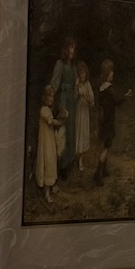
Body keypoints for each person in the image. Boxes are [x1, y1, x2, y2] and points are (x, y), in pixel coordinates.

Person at [94, 59, 130, 186]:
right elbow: (117, 100)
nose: (113, 74)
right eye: (111, 72)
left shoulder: (101, 88)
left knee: (105, 144)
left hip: (103, 120)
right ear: (107, 74)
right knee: (107, 146)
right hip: (108, 121)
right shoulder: (109, 89)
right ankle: (97, 173)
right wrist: (126, 96)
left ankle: (104, 170)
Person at [47, 36, 78, 176]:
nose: (72, 50)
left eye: (74, 48)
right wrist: (50, 96)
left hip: (72, 100)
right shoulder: (60, 64)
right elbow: (55, 82)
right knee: (62, 130)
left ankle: (69, 159)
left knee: (71, 129)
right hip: (63, 100)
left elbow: (76, 83)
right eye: (71, 47)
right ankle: (61, 164)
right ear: (66, 49)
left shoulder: (73, 66)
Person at [35, 85, 64, 201]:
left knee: (52, 161)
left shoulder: (49, 110)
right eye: (49, 96)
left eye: (52, 96)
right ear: (45, 98)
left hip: (50, 141)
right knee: (48, 162)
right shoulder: (43, 110)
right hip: (45, 143)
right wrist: (60, 122)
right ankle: (46, 192)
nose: (51, 99)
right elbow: (51, 121)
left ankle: (52, 185)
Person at [73, 60, 95, 168]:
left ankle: (80, 158)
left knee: (83, 131)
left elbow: (91, 99)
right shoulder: (77, 83)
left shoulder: (87, 84)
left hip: (84, 111)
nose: (82, 75)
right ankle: (75, 155)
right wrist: (77, 92)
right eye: (80, 73)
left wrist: (87, 97)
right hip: (78, 111)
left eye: (84, 73)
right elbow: (74, 97)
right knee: (77, 131)